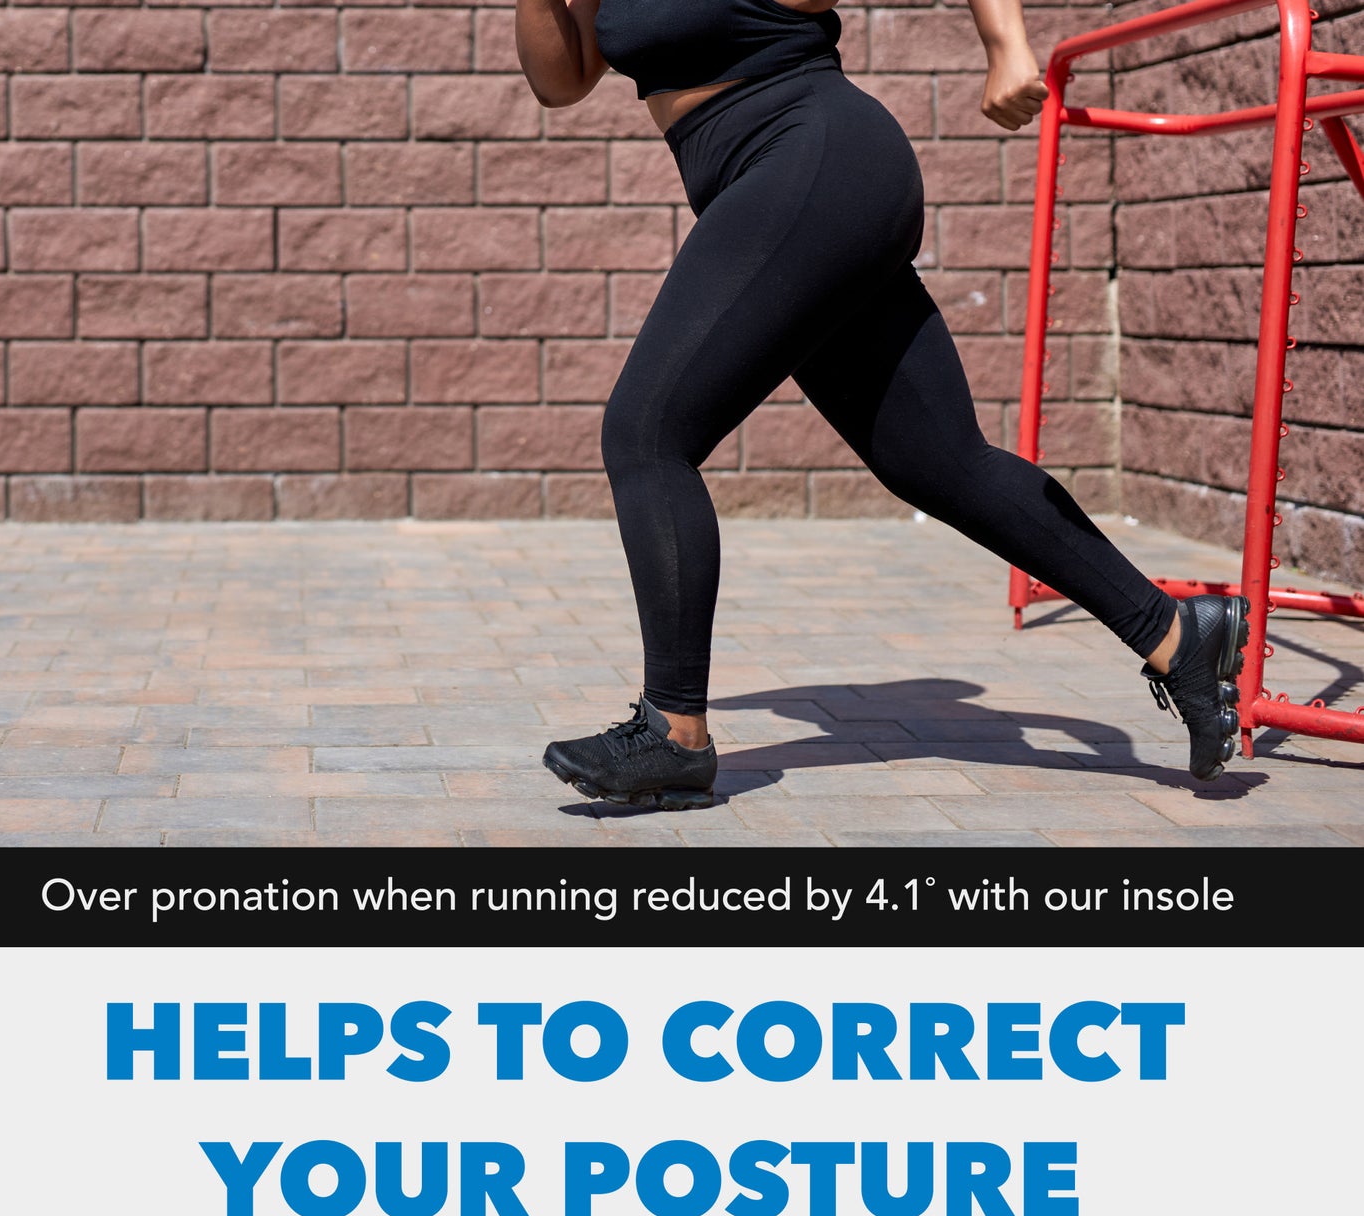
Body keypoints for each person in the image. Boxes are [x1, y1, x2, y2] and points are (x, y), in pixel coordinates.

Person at [517, 0, 1250, 809]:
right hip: (776, 184)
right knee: (939, 463)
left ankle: (673, 733)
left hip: (813, 158)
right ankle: (1178, 635)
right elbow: (562, 79)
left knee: (647, 432)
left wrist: (1003, 44)